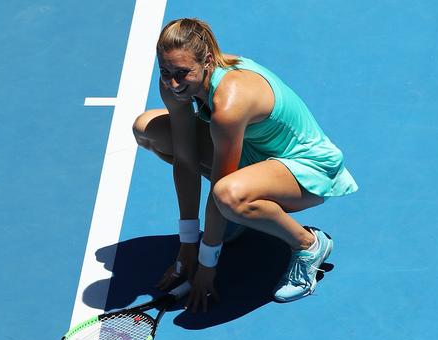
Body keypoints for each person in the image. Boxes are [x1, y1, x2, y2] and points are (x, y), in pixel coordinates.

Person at [132, 18, 358, 312]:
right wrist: (188, 243)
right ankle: (239, 217)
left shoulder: (230, 103)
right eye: (165, 72)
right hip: (254, 153)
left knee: (228, 196)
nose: (173, 83)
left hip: (306, 167)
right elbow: (186, 162)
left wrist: (207, 264)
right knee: (148, 129)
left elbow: (218, 188)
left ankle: (308, 244)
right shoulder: (175, 84)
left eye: (182, 73)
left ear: (207, 62)